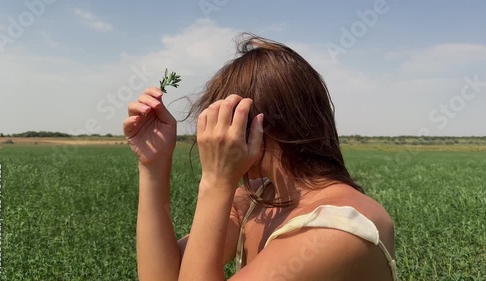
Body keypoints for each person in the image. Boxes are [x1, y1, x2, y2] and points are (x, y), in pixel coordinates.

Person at [123, 34, 397, 281]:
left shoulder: (335, 232)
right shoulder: (261, 198)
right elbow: (163, 277)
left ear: (253, 128)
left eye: (225, 125)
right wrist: (153, 166)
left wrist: (216, 183)